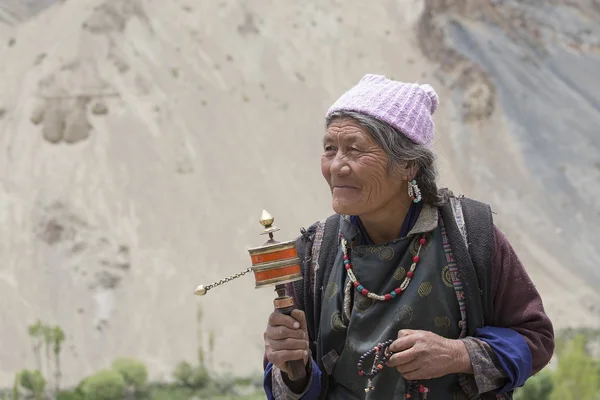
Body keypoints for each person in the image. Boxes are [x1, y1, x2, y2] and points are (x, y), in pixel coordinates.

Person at [262, 74, 554, 399]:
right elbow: (287, 387)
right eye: (330, 149)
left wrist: (458, 354)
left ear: (408, 166)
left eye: (355, 150)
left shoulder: (470, 234)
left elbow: (534, 338)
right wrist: (293, 367)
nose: (337, 167)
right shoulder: (314, 252)